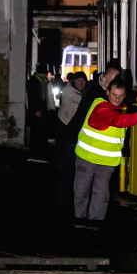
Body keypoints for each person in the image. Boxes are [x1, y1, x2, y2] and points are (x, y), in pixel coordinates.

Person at [73, 77, 137, 230]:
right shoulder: (101, 106)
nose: (117, 99)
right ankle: (79, 220)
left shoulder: (120, 105)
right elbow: (117, 120)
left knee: (101, 193)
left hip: (106, 160)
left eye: (121, 96)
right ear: (107, 92)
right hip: (87, 157)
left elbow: (124, 106)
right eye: (114, 95)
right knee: (82, 191)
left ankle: (94, 223)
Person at [55, 71, 88, 212]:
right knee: (66, 168)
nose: (81, 83)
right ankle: (63, 203)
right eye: (78, 81)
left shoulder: (81, 92)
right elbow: (83, 101)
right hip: (65, 130)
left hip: (74, 131)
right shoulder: (68, 91)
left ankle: (69, 201)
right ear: (73, 82)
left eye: (83, 81)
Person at [26, 64, 51, 160]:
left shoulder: (38, 81)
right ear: (42, 73)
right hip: (36, 111)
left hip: (39, 110)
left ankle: (37, 152)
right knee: (36, 132)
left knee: (38, 132)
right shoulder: (35, 81)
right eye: (45, 74)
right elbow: (33, 97)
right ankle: (35, 153)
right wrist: (35, 110)